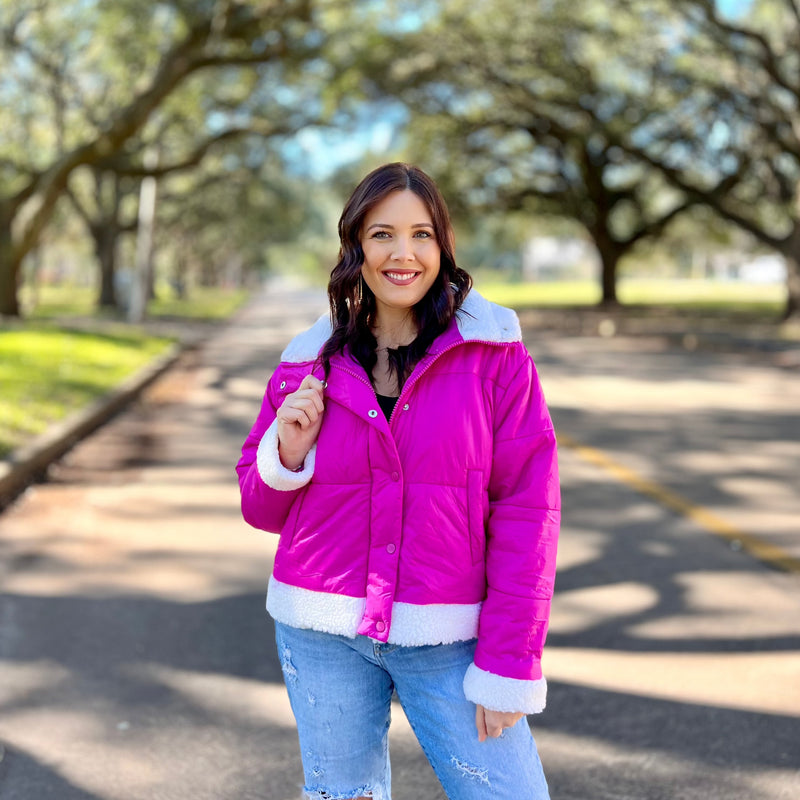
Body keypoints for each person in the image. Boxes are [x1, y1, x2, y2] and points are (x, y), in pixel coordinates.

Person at [236, 162, 560, 800]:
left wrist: (509, 662)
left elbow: (530, 512)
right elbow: (258, 505)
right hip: (322, 629)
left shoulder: (495, 356)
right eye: (382, 234)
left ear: (443, 245)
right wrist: (288, 450)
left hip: (449, 635)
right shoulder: (309, 360)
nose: (402, 253)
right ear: (356, 248)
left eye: (421, 235)